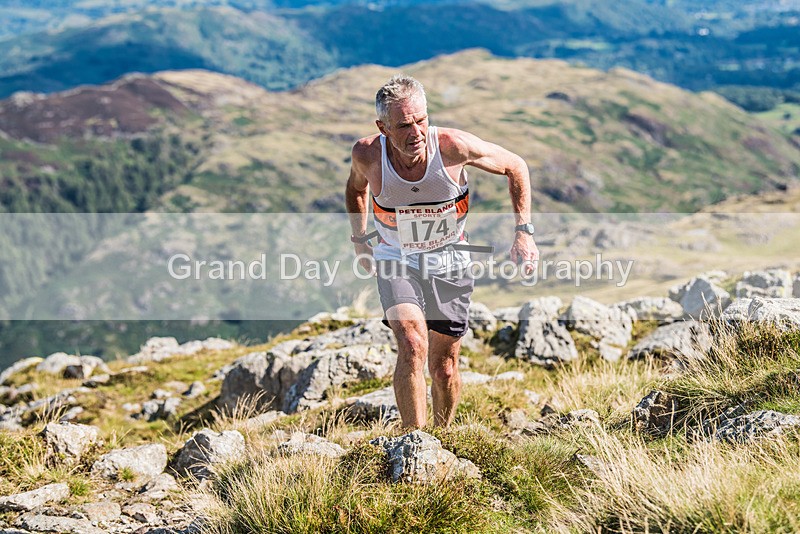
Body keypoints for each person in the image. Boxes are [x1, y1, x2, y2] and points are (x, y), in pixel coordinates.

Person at [345, 75, 538, 428]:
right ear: (383, 127)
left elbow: (516, 166)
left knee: (444, 365)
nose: (416, 132)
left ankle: (443, 434)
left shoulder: (452, 146)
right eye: (404, 125)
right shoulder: (368, 154)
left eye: (421, 120)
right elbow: (356, 190)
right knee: (411, 341)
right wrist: (360, 240)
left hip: (451, 259)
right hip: (395, 258)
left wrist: (523, 232)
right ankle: (413, 440)